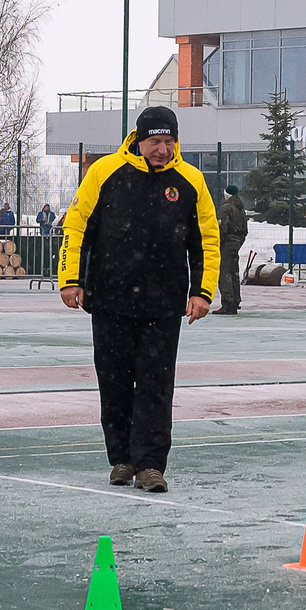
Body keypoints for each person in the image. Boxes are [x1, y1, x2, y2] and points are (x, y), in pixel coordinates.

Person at [57, 104, 218, 492]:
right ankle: (122, 460)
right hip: (110, 300)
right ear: (138, 140)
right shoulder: (104, 172)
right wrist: (70, 279)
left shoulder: (190, 180)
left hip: (164, 305)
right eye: (155, 141)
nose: (162, 149)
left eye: (169, 141)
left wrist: (202, 292)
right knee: (113, 383)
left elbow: (207, 242)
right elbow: (76, 228)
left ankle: (150, 465)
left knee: (156, 386)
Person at [217, 182, 248, 314]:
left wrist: (219, 242)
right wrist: (239, 241)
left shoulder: (225, 208)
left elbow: (221, 228)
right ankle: (235, 300)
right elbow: (245, 230)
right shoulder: (240, 208)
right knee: (234, 272)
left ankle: (227, 303)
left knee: (225, 272)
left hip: (227, 244)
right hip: (236, 243)